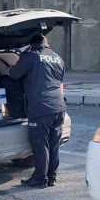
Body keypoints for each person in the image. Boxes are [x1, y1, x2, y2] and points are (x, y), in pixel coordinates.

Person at [9, 34, 66, 189]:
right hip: (59, 107)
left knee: (41, 145)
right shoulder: (58, 58)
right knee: (53, 144)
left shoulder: (32, 56)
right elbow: (59, 80)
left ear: (31, 45)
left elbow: (14, 74)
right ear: (46, 43)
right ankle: (51, 178)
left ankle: (40, 179)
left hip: (41, 108)